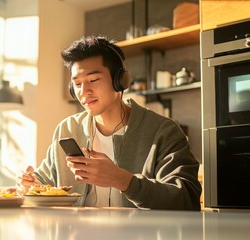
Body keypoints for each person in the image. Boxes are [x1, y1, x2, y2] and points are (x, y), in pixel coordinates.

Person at [16, 35, 202, 210]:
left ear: (119, 81)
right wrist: (31, 184)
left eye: (94, 80)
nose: (84, 91)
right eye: (77, 84)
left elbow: (186, 199)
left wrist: (124, 181)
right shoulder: (68, 129)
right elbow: (46, 182)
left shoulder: (163, 131)